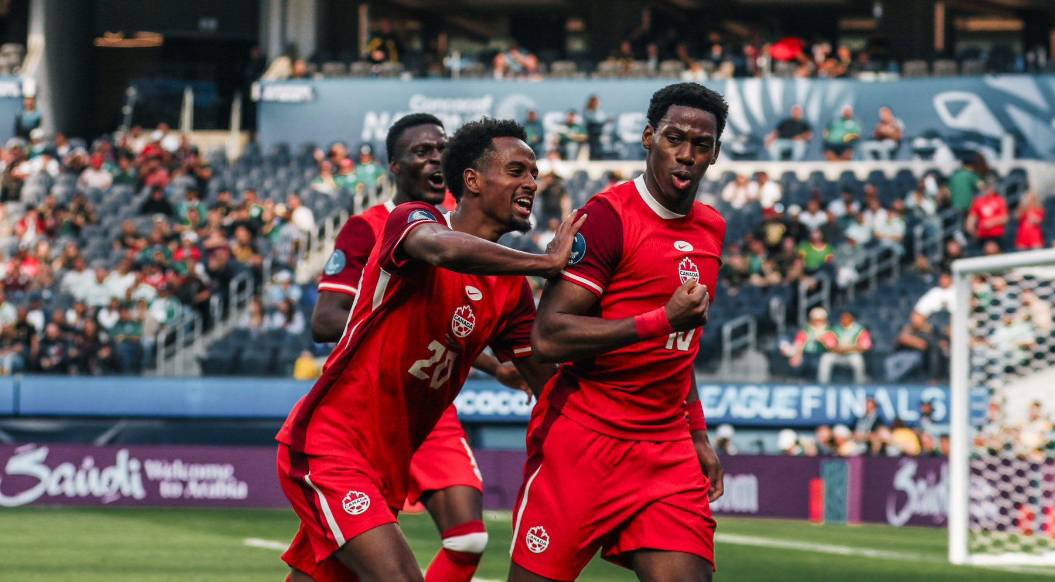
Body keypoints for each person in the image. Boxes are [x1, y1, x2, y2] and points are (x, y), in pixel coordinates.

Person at [277, 117, 582, 582]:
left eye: (534, 174)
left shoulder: (511, 290)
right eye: (517, 171)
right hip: (331, 446)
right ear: (473, 180)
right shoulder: (412, 222)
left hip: (387, 466)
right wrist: (545, 262)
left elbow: (548, 383)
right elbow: (443, 251)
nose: (531, 183)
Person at [509, 83, 728, 582]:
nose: (687, 154)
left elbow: (681, 348)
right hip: (586, 437)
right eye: (675, 138)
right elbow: (549, 337)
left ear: (715, 154)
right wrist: (661, 319)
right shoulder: (607, 218)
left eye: (701, 144)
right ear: (649, 138)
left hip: (667, 445)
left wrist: (697, 432)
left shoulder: (712, 228)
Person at [780, 307, 836, 379]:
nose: (817, 323)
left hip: (820, 355)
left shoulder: (829, 331)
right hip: (807, 355)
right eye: (815, 320)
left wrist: (822, 339)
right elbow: (799, 343)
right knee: (796, 362)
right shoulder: (806, 330)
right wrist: (797, 355)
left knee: (822, 361)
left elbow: (832, 346)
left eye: (820, 320)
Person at [819, 311, 872, 384]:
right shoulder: (835, 329)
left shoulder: (860, 330)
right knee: (826, 358)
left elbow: (865, 346)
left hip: (852, 355)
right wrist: (842, 349)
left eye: (847, 318)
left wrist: (846, 349)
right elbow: (829, 345)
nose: (844, 319)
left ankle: (860, 383)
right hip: (837, 354)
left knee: (857, 359)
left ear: (852, 319)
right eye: (842, 318)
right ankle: (823, 383)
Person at [966, 179, 1009, 250]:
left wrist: (991, 222)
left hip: (997, 235)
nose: (988, 189)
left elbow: (1005, 218)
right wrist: (973, 231)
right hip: (982, 236)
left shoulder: (1000, 200)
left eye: (990, 186)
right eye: (986, 187)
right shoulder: (978, 201)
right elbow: (971, 220)